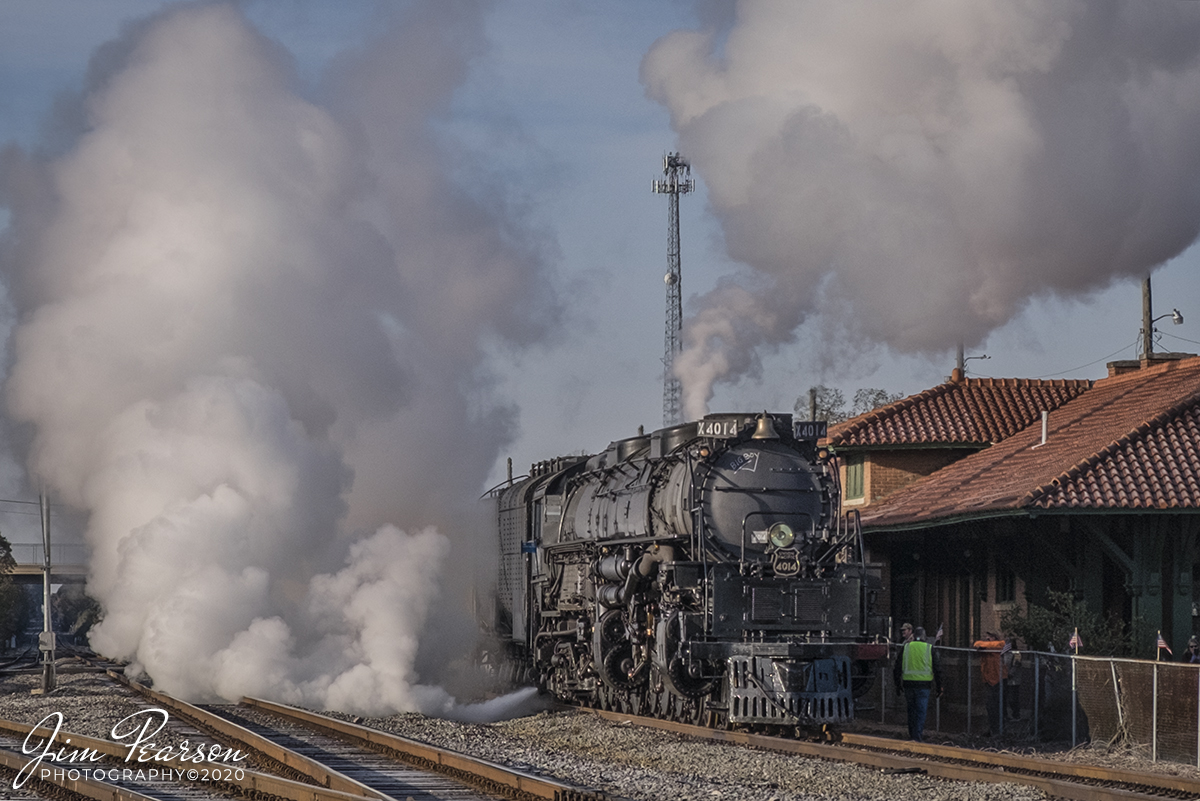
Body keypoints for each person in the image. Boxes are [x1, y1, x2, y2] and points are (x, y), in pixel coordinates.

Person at [893, 625, 942, 742]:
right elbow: (937, 669)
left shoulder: (906, 647)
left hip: (908, 684)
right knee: (921, 711)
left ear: (914, 636)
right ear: (924, 636)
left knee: (911, 711)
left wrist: (897, 684)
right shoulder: (930, 648)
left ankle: (912, 734)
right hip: (924, 686)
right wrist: (939, 687)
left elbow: (897, 667)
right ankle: (917, 736)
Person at [974, 638, 1009, 735]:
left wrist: (986, 645)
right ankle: (993, 730)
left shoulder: (999, 646)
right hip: (989, 681)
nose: (987, 640)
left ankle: (1000, 730)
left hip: (1000, 680)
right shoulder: (985, 648)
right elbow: (976, 644)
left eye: (989, 638)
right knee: (990, 707)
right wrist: (984, 645)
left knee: (999, 706)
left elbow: (1002, 644)